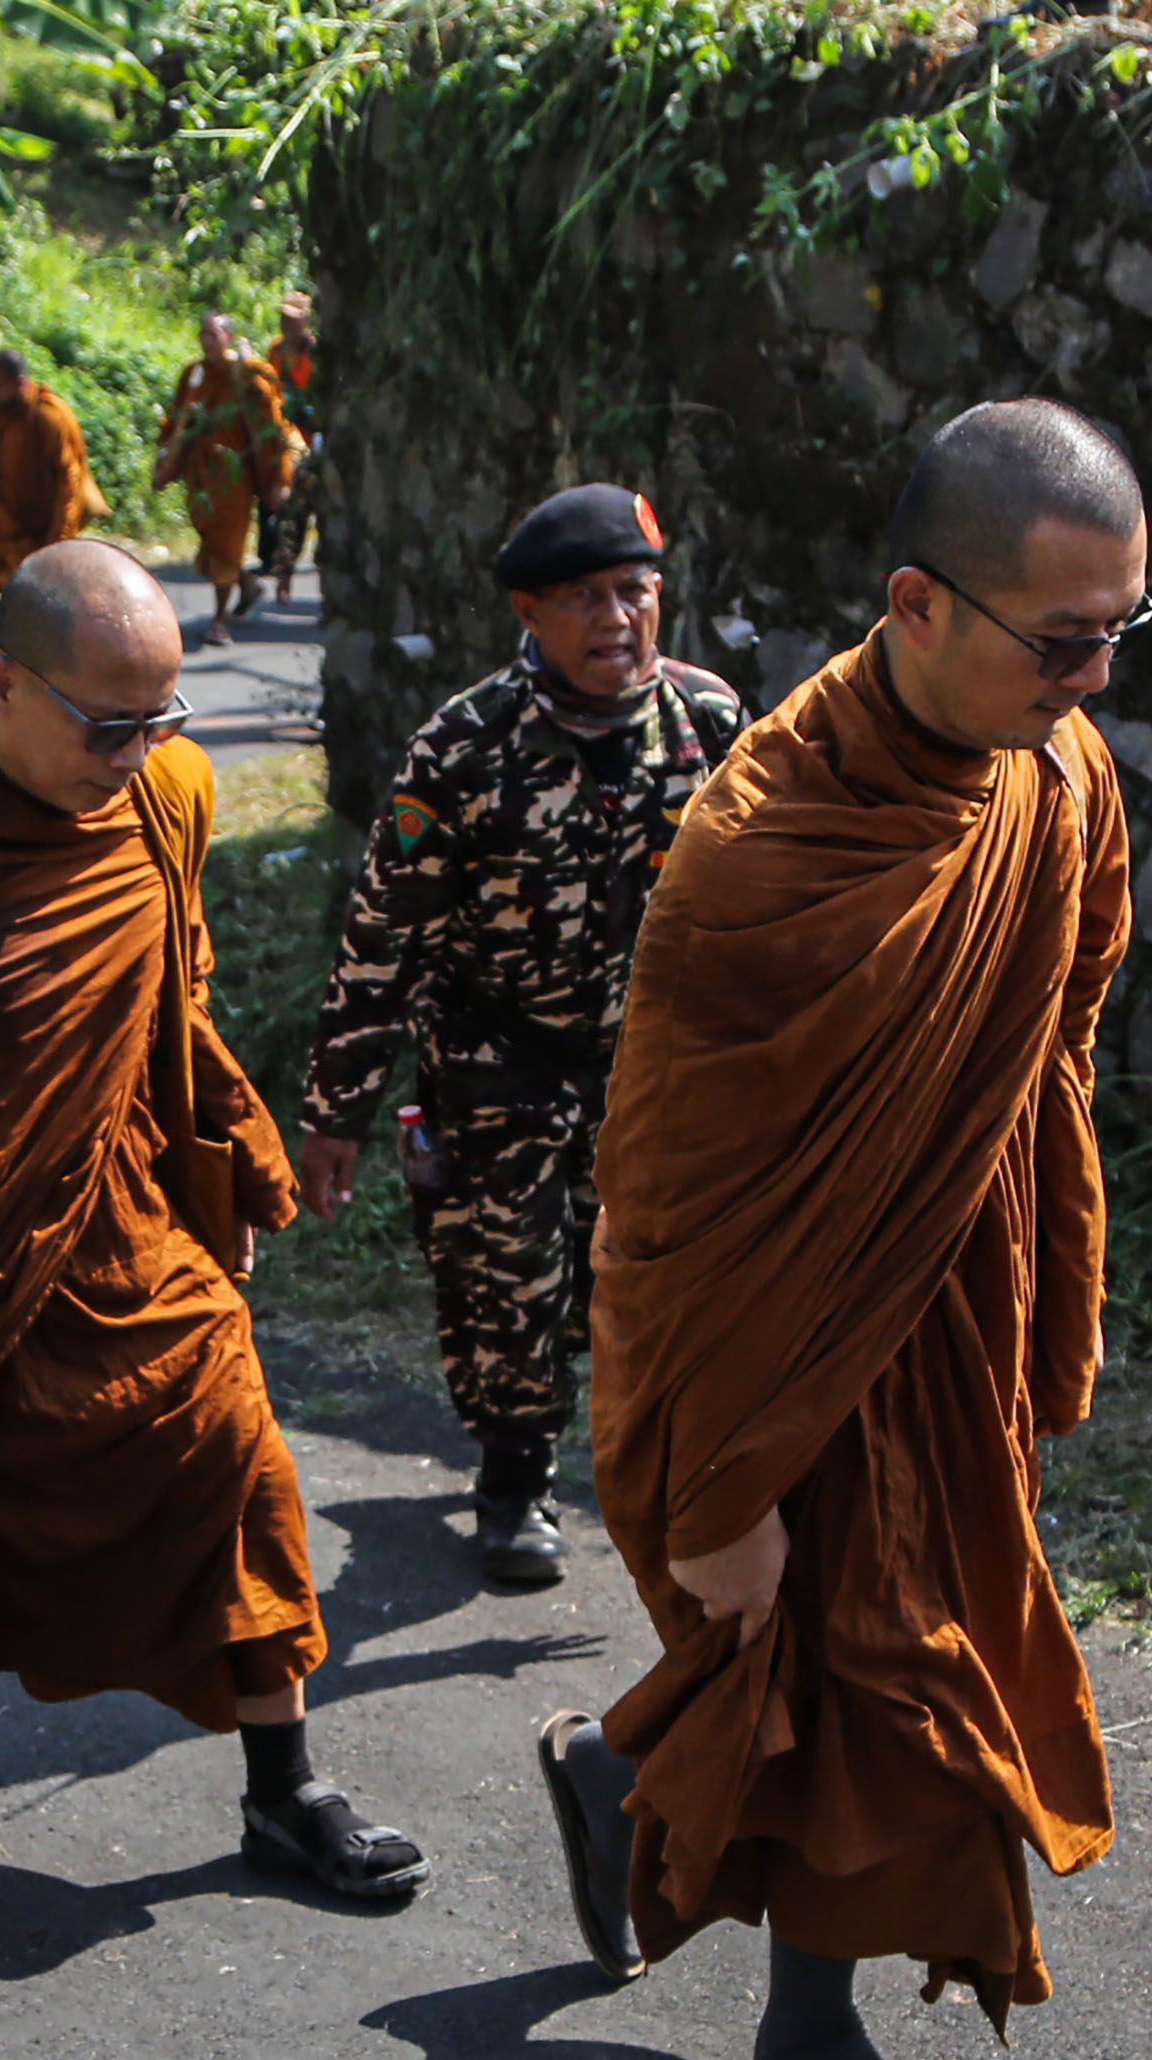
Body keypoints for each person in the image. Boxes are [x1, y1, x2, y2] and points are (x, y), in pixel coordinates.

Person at [538, 402, 1141, 2060]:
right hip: (788, 1354)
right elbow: (672, 1208)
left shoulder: (1059, 764)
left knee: (879, 1660)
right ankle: (808, 2031)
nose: (1096, 673)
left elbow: (1064, 1029)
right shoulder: (770, 851)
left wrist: (1032, 1283)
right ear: (919, 604)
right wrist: (716, 1487)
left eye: (1124, 631)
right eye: (1064, 639)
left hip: (954, 1296)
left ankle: (627, 1786)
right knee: (872, 1680)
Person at [0, 539, 425, 1903]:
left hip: (120, 1223)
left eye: (162, 719)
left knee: (239, 1460)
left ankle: (284, 1786)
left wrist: (229, 1159)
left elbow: (166, 999)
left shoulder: (150, 800)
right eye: (107, 723)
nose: (139, 750)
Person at [301, 484, 741, 1588]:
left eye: (633, 592)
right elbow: (380, 940)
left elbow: (761, 908)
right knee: (511, 1281)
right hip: (500, 1067)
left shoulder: (712, 723)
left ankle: (676, 1477)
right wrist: (336, 1112)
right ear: (529, 615)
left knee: (663, 1284)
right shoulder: (461, 747)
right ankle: (513, 1478)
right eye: (583, 598)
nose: (615, 620)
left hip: (657, 1074)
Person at [151, 314, 299, 639]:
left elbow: (269, 423)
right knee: (211, 538)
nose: (206, 341)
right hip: (200, 474)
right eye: (202, 334)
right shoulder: (194, 374)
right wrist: (166, 462)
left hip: (235, 477)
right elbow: (178, 418)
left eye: (213, 334)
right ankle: (246, 583)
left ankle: (219, 620)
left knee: (229, 544)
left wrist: (276, 478)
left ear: (228, 336)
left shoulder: (246, 373)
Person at [0, 345, 104, 583]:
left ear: (21, 382)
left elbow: (68, 482)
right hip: (2, 533)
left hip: (39, 533)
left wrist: (58, 542)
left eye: (2, 386)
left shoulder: (49, 416)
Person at [253, 289, 323, 605]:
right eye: (284, 318)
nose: (287, 324)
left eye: (294, 319)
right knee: (276, 501)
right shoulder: (277, 351)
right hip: (285, 440)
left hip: (317, 441)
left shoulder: (317, 353)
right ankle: (277, 567)